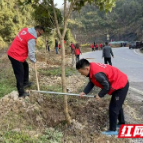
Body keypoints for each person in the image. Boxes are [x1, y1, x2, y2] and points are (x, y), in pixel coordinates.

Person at [76, 59, 129, 136]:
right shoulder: (91, 68)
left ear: (87, 68)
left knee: (113, 108)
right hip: (118, 81)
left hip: (121, 84)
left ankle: (112, 130)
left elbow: (106, 86)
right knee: (118, 105)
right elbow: (92, 81)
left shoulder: (97, 74)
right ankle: (121, 124)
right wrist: (85, 92)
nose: (81, 74)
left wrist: (100, 95)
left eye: (81, 72)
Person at [7, 26, 45, 97]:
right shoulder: (31, 38)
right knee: (20, 73)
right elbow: (31, 52)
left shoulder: (25, 30)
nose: (39, 36)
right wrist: (33, 60)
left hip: (14, 52)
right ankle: (21, 92)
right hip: (15, 55)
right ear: (37, 31)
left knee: (25, 65)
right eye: (40, 34)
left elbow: (23, 41)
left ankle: (25, 82)